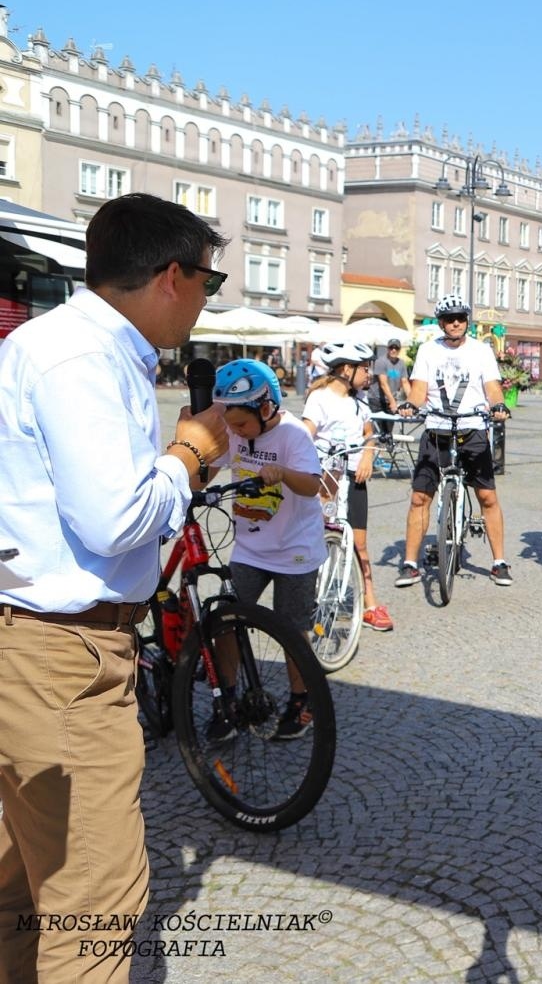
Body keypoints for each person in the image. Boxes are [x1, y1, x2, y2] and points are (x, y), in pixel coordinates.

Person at [0, 193, 229, 984]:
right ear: (173, 275)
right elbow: (114, 519)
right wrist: (190, 455)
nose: (207, 297)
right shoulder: (82, 358)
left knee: (24, 880)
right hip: (62, 654)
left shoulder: (56, 344)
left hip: (30, 639)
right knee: (95, 902)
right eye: (210, 279)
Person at [209, 359, 326, 741]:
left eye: (241, 424)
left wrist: (283, 474)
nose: (235, 431)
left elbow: (312, 485)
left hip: (294, 549)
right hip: (249, 548)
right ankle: (226, 701)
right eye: (231, 423)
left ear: (266, 407)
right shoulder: (236, 432)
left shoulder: (293, 435)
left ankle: (301, 699)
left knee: (292, 629)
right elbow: (210, 468)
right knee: (225, 621)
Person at [395, 295, 513, 587]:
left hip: (472, 428)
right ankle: (410, 563)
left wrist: (497, 406)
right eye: (450, 319)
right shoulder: (427, 350)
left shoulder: (481, 351)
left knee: (487, 496)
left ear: (467, 321)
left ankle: (499, 562)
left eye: (460, 317)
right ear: (441, 323)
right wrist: (410, 404)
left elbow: (492, 388)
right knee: (420, 497)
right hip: (436, 430)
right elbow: (419, 390)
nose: (456, 323)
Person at [303, 340, 392, 632]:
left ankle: (370, 604)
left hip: (355, 477)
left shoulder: (360, 402)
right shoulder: (320, 398)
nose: (369, 374)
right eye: (364, 369)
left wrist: (368, 454)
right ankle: (308, 597)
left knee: (360, 544)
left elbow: (369, 434)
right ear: (346, 369)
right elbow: (307, 432)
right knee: (319, 537)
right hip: (327, 476)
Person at [372, 338, 410, 437]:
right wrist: (393, 402)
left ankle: (387, 448)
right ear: (387, 349)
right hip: (376, 400)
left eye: (396, 348)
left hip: (390, 399)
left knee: (388, 432)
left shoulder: (401, 363)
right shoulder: (381, 361)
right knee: (377, 432)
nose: (393, 350)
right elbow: (383, 384)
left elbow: (405, 382)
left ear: (399, 350)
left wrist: (411, 401)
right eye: (391, 348)